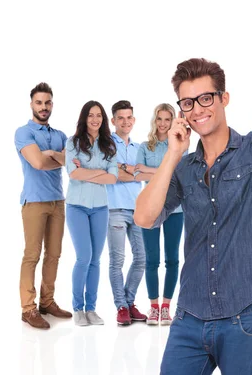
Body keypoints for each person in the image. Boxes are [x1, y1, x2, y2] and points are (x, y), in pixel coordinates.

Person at [134, 15, 252, 375]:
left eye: (205, 98)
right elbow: (144, 217)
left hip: (243, 318)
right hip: (189, 319)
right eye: (186, 103)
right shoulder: (184, 168)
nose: (197, 109)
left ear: (224, 98)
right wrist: (172, 153)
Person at [14, 82, 72, 329]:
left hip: (58, 201)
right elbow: (37, 162)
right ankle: (28, 308)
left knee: (54, 255)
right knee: (32, 255)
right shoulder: (23, 133)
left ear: (52, 104)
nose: (44, 107)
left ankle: (47, 302)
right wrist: (52, 157)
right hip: (34, 201)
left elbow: (72, 163)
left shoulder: (59, 135)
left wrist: (54, 155)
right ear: (31, 105)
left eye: (47, 102)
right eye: (39, 102)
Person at [65, 100, 118, 326]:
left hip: (100, 208)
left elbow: (113, 177)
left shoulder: (109, 145)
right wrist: (99, 172)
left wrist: (86, 171)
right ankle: (78, 309)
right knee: (83, 257)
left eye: (99, 116)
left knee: (95, 260)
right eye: (91, 115)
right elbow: (72, 174)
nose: (95, 119)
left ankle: (91, 309)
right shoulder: (73, 142)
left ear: (103, 119)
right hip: (76, 206)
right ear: (84, 118)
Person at [135, 103, 185, 325]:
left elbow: (181, 175)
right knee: (152, 259)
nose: (163, 124)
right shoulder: (146, 147)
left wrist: (151, 171)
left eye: (168, 119)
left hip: (176, 209)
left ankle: (166, 307)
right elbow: (137, 173)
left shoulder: (180, 145)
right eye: (160, 119)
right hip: (151, 210)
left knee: (172, 259)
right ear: (154, 121)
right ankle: (153, 307)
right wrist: (166, 170)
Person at [106, 100, 147, 325]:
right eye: (120, 118)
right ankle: (121, 306)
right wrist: (132, 171)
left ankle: (130, 302)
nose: (125, 121)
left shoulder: (139, 148)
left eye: (129, 117)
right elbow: (113, 175)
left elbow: (147, 174)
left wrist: (126, 168)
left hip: (138, 208)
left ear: (134, 120)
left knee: (142, 258)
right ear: (113, 121)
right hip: (114, 209)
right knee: (117, 260)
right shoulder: (106, 146)